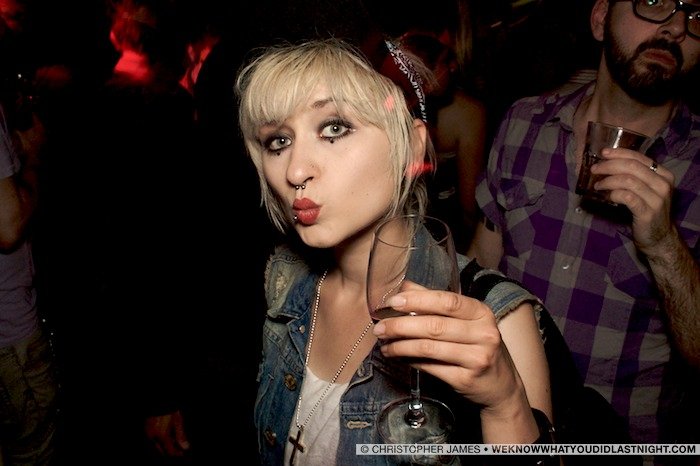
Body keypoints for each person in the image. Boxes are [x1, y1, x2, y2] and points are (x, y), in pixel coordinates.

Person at [235, 38, 556, 465]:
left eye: (334, 128)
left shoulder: (498, 320)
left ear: (413, 146)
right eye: (278, 141)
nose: (295, 170)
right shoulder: (285, 277)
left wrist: (507, 406)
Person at [468, 0, 700, 463]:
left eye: (696, 13)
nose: (677, 26)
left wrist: (663, 245)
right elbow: (481, 264)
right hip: (510, 424)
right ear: (599, 19)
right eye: (653, 1)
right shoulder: (523, 122)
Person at [399, 31, 487, 252]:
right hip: (437, 234)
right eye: (445, 62)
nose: (453, 67)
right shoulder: (468, 112)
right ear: (425, 75)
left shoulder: (387, 110)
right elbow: (470, 203)